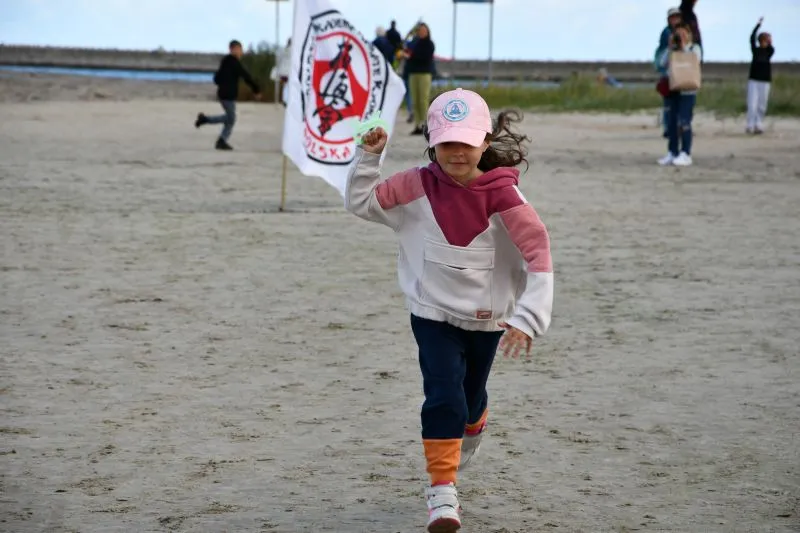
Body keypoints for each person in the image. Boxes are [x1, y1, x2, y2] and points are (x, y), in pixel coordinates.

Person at [344, 88, 554, 532]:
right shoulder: (415, 185)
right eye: (446, 143)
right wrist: (369, 157)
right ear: (432, 143)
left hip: (487, 319)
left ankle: (473, 424)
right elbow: (363, 203)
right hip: (432, 314)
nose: (457, 152)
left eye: (467, 142)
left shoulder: (504, 196)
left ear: (485, 142)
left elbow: (539, 254)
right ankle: (442, 492)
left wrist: (528, 318)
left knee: (470, 401)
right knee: (443, 395)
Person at [194, 40, 260, 151]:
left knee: (230, 118)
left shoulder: (225, 61)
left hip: (224, 94)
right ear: (232, 50)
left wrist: (223, 82)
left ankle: (219, 138)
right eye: (239, 50)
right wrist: (256, 90)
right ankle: (209, 124)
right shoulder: (234, 63)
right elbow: (246, 77)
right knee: (231, 118)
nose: (241, 52)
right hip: (227, 95)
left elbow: (216, 78)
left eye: (241, 50)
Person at [658, 24, 702, 167]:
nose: (681, 37)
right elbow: (662, 63)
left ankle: (685, 153)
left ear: (689, 35)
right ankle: (672, 152)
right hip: (673, 89)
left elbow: (696, 60)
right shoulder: (672, 49)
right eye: (678, 34)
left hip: (688, 90)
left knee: (684, 122)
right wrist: (670, 47)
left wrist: (683, 47)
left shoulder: (694, 48)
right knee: (671, 123)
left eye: (683, 34)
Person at [655, 7, 683, 137]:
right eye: (673, 17)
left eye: (677, 17)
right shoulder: (667, 33)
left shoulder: (681, 31)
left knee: (676, 101)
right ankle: (669, 127)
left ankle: (675, 126)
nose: (675, 19)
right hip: (669, 70)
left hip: (678, 69)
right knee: (669, 101)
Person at [405, 23, 435, 135]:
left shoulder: (430, 44)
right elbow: (408, 52)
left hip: (424, 73)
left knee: (423, 100)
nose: (421, 32)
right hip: (413, 73)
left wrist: (411, 57)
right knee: (415, 100)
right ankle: (417, 125)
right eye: (420, 30)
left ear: (427, 31)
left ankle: (426, 124)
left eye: (423, 30)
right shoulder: (414, 43)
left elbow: (425, 57)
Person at [746, 17, 774, 135]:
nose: (765, 42)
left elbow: (771, 47)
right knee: (752, 104)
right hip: (754, 80)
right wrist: (758, 25)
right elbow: (751, 37)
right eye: (763, 40)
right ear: (760, 41)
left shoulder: (769, 52)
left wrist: (770, 40)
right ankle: (750, 125)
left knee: (762, 104)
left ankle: (758, 124)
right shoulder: (755, 50)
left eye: (766, 41)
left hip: (765, 81)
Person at [275, 38, 292, 106]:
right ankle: (287, 100)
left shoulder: (282, 50)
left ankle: (285, 99)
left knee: (285, 85)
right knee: (289, 85)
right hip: (290, 71)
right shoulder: (294, 50)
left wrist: (278, 69)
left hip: (283, 71)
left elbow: (278, 60)